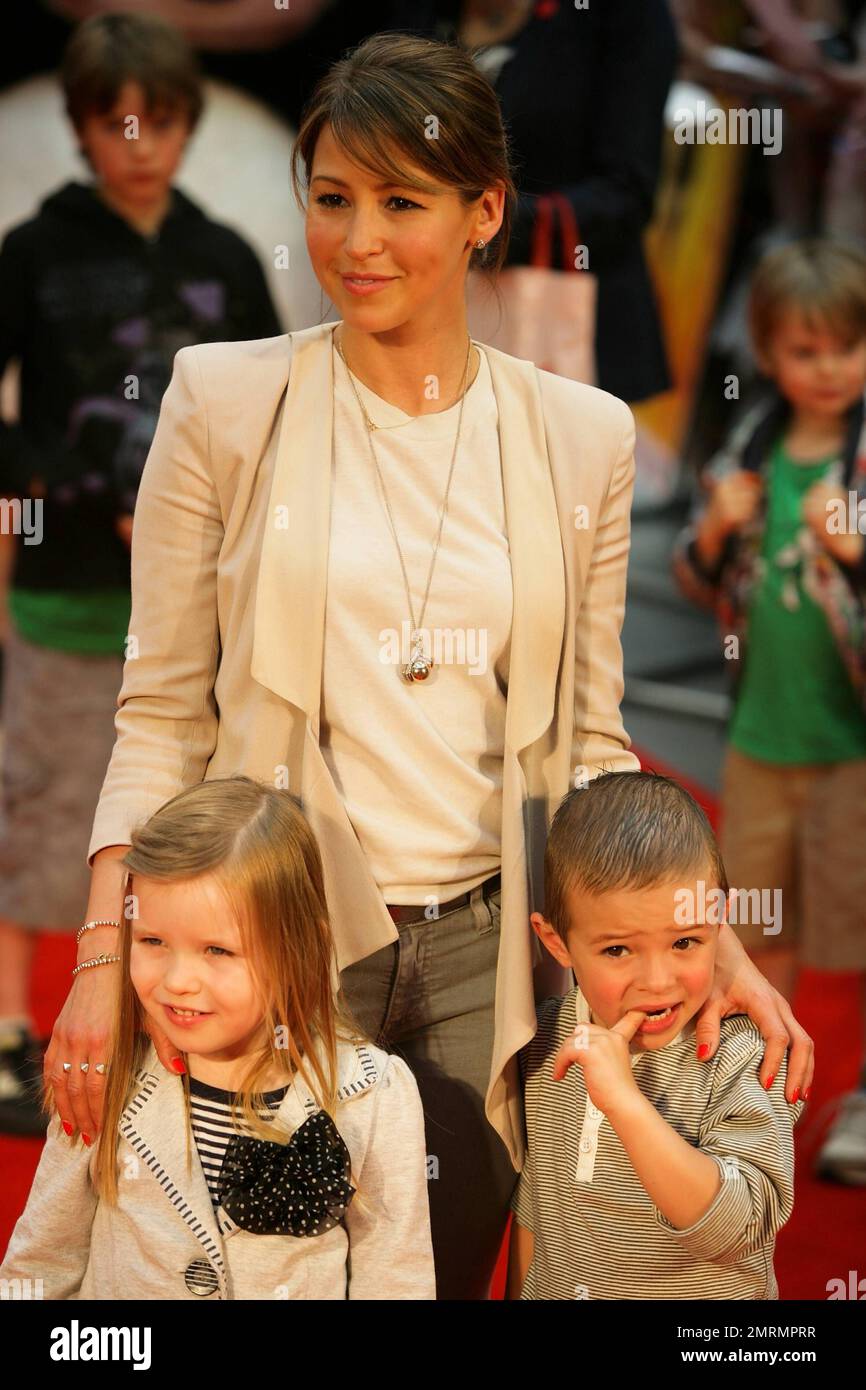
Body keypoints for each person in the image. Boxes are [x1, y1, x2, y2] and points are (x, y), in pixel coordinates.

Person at [44, 33, 813, 1301]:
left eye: (402, 202)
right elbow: (161, 710)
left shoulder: (582, 435)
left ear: (482, 213)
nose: (360, 240)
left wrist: (698, 931)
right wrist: (95, 962)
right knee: (270, 1274)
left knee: (439, 1277)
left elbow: (593, 736)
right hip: (279, 934)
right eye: (334, 197)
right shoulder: (222, 404)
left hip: (484, 948)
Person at [0, 11, 281, 1136]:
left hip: (201, 603)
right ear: (79, 128)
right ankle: (12, 1035)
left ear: (186, 127)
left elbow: (273, 412)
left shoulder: (220, 253)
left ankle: (175, 1033)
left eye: (158, 121)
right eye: (114, 122)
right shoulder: (32, 250)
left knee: (190, 825)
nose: (137, 143)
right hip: (67, 592)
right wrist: (70, 489)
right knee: (42, 810)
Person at [0, 776, 434, 1300]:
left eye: (217, 951)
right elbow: (41, 1262)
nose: (178, 980)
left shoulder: (374, 1096)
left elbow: (396, 1280)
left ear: (300, 945)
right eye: (153, 941)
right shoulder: (109, 1075)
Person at [672, 239, 866, 1184]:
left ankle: (861, 1094)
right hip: (757, 738)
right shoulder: (747, 450)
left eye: (846, 347)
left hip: (853, 746)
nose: (828, 369)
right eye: (805, 351)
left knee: (856, 922)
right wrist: (713, 526)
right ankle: (764, 1085)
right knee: (760, 918)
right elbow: (700, 580)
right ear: (769, 356)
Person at [507, 771, 805, 1300]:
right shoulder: (549, 1035)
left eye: (685, 942)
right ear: (556, 943)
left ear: (720, 923)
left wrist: (625, 1103)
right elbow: (538, 1209)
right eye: (618, 950)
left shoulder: (743, 1056)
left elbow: (738, 1228)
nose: (658, 981)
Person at [385, 0, 678, 402]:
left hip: (562, 322)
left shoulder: (621, 13)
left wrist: (468, 224)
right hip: (415, 316)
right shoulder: (415, 13)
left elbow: (625, 196)